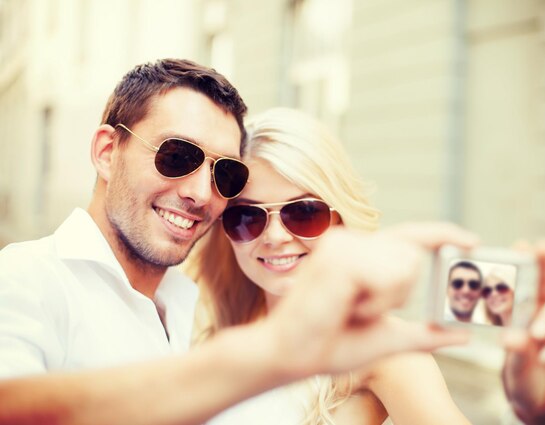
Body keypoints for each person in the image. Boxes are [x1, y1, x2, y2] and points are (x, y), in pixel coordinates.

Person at [0, 58, 478, 425]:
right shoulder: (24, 279)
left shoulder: (182, 313)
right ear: (107, 151)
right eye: (176, 155)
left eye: (304, 212)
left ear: (340, 218)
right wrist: (274, 350)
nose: (198, 192)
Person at [189, 107, 545, 424]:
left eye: (304, 213)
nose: (274, 237)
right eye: (247, 217)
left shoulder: (384, 350)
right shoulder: (203, 328)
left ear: (341, 218)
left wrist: (542, 419)